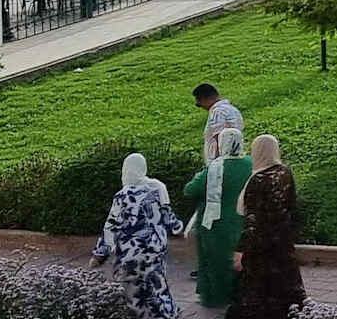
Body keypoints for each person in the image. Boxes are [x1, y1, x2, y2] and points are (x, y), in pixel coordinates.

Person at [90, 153, 183, 319]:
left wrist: (99, 254)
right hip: (155, 251)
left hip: (130, 254)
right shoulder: (156, 190)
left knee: (132, 292)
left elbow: (111, 227)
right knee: (157, 286)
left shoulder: (122, 195)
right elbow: (170, 219)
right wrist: (179, 229)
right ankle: (166, 314)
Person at [230, 133, 305, 319]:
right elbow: (292, 206)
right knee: (284, 289)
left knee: (258, 295)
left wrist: (241, 250)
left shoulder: (257, 180)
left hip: (261, 246)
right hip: (282, 240)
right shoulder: (285, 172)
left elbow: (253, 221)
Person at [180, 120, 254, 307]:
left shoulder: (216, 167)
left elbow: (190, 190)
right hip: (244, 220)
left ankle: (216, 298)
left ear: (222, 144)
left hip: (216, 223)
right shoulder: (250, 163)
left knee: (216, 261)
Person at [194, 83, 243, 159]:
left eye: (199, 104)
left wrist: (217, 161)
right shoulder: (233, 109)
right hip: (235, 156)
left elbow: (219, 137)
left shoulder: (217, 112)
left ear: (203, 99)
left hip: (221, 160)